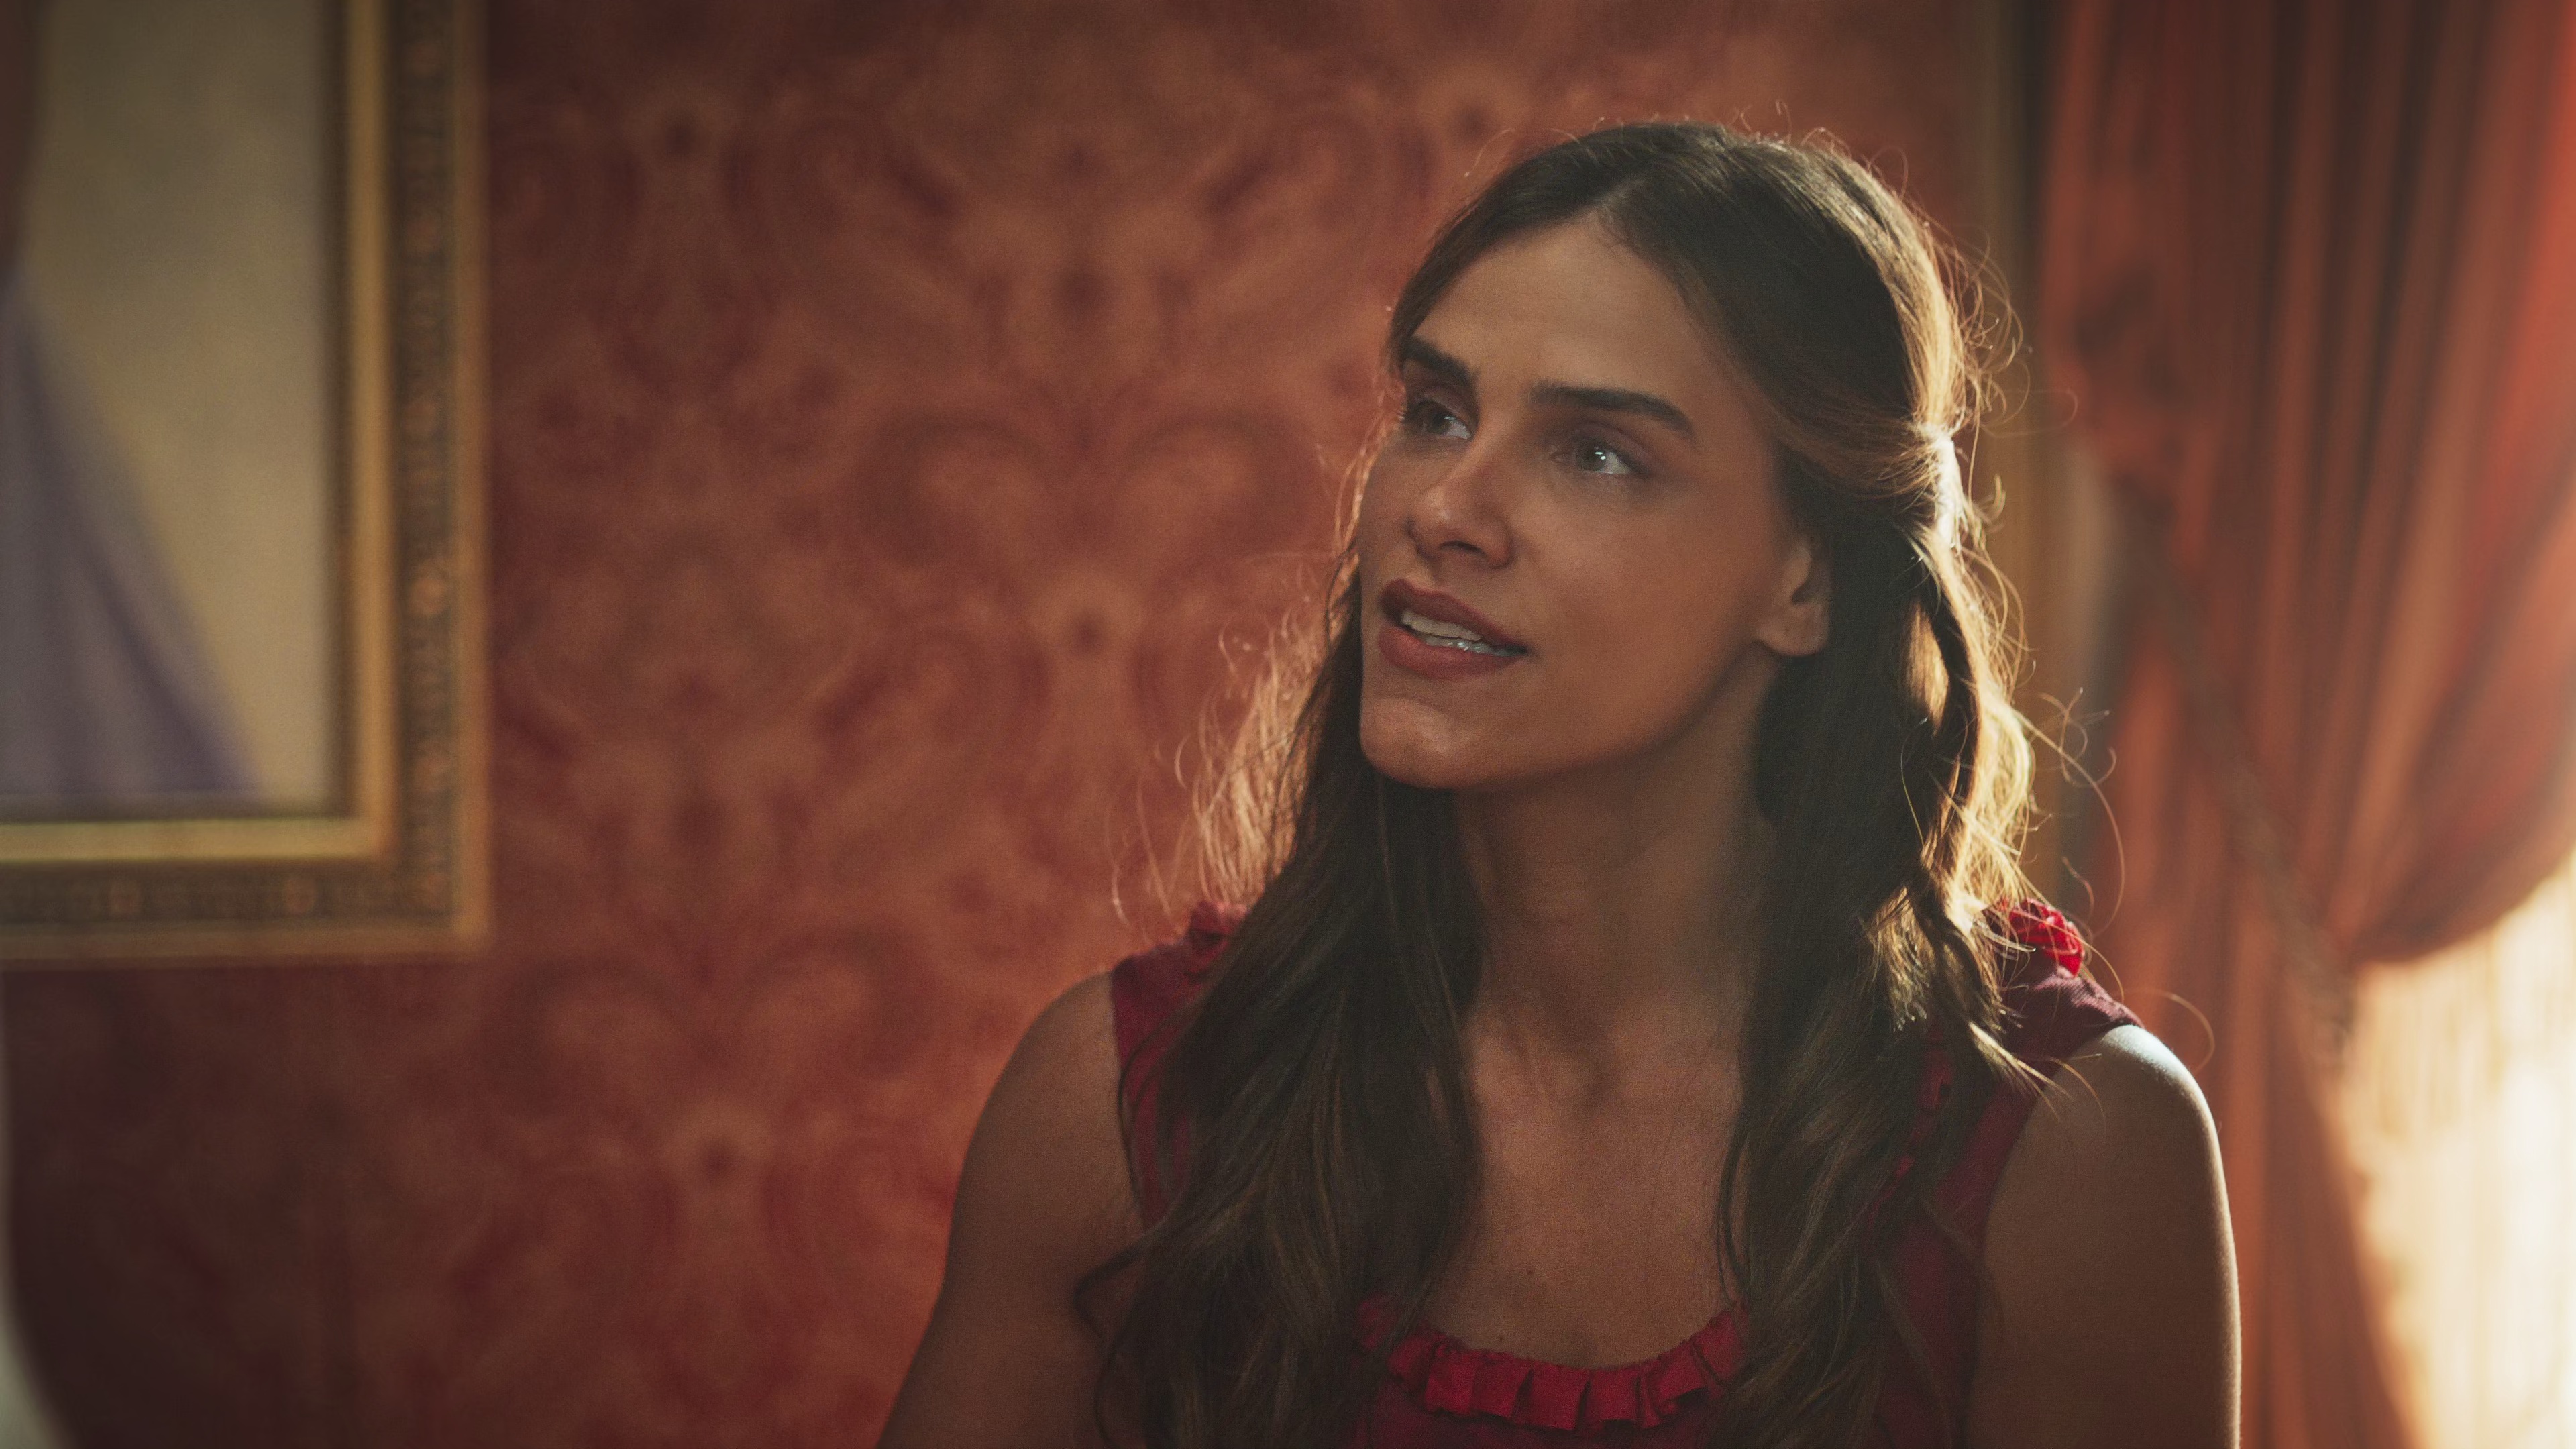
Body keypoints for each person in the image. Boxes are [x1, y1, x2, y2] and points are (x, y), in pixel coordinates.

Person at [881, 122, 2239, 1449]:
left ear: (1807, 578)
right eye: (1436, 414)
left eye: (1596, 452)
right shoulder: (1127, 1106)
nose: (1442, 509)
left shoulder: (2067, 1154)